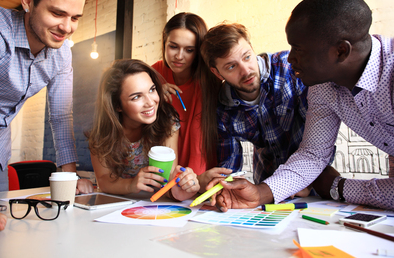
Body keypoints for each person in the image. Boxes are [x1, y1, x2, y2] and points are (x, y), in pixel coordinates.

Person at [209, 0, 394, 214]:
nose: (290, 58)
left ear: (340, 51)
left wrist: (337, 187)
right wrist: (259, 194)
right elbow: (313, 155)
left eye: (298, 49)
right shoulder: (322, 85)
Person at [0, 0, 94, 247]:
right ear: (28, 0)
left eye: (75, 17)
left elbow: (61, 118)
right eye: (57, 13)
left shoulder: (61, 56)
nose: (67, 27)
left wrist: (70, 181)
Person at [200, 23, 310, 188]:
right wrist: (224, 187)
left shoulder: (289, 69)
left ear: (251, 48)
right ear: (217, 73)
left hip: (311, 179)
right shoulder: (223, 111)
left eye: (246, 57)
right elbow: (229, 167)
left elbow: (318, 136)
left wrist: (299, 181)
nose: (245, 71)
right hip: (266, 184)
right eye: (231, 66)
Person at [87, 59, 200, 201]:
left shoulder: (167, 120)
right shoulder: (101, 133)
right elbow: (103, 181)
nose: (150, 102)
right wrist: (131, 184)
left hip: (152, 205)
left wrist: (182, 185)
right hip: (114, 205)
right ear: (117, 105)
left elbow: (168, 175)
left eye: (152, 90)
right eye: (137, 97)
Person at [152, 13, 232, 191]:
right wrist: (152, 93)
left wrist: (196, 182)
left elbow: (200, 142)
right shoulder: (152, 75)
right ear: (164, 42)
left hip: (200, 177)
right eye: (173, 46)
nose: (179, 56)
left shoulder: (210, 79)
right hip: (163, 175)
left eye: (189, 50)